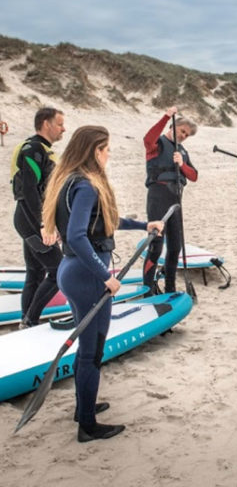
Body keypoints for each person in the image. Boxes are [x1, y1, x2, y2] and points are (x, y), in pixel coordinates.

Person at [42, 125, 163, 442]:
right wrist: (105, 275)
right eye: (106, 148)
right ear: (95, 150)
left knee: (88, 349)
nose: (109, 154)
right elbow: (77, 236)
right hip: (85, 275)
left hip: (71, 270)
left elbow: (105, 220)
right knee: (92, 352)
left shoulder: (69, 180)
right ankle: (87, 425)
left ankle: (84, 407)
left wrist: (142, 225)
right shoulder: (86, 186)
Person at [11, 107, 65, 328]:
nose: (64, 129)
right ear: (46, 123)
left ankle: (27, 322)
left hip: (29, 220)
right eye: (60, 124)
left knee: (35, 272)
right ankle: (30, 319)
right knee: (58, 271)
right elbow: (30, 191)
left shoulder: (41, 149)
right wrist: (44, 225)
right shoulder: (33, 149)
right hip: (32, 221)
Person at [143, 107, 197, 293]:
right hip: (158, 197)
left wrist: (182, 164)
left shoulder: (182, 152)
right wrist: (166, 116)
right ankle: (147, 288)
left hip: (176, 200)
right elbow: (147, 139)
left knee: (175, 247)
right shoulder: (158, 144)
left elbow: (194, 175)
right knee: (156, 246)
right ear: (174, 126)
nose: (183, 136)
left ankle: (170, 286)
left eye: (187, 135)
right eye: (182, 131)